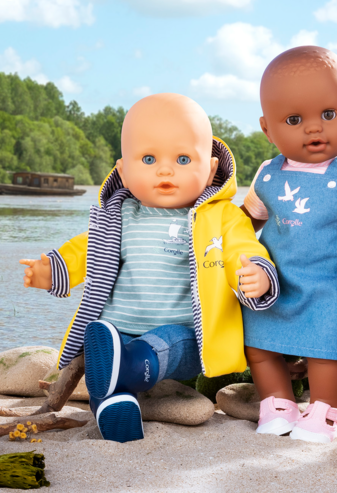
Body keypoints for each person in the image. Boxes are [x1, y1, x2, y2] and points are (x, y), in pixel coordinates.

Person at [20, 93, 278, 442]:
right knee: (102, 358)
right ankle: (115, 406)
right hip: (117, 329)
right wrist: (52, 268)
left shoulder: (222, 217)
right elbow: (87, 249)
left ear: (212, 168)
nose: (166, 170)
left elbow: (242, 249)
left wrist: (256, 274)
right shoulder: (120, 216)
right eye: (148, 158)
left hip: (185, 333)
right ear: (123, 170)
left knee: (164, 344)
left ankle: (125, 370)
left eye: (183, 158)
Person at [241, 46, 337, 443]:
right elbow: (250, 220)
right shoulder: (267, 173)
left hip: (332, 285)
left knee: (324, 350)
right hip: (277, 282)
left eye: (328, 115)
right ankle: (277, 403)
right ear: (268, 129)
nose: (314, 128)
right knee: (259, 344)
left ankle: (324, 410)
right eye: (294, 120)